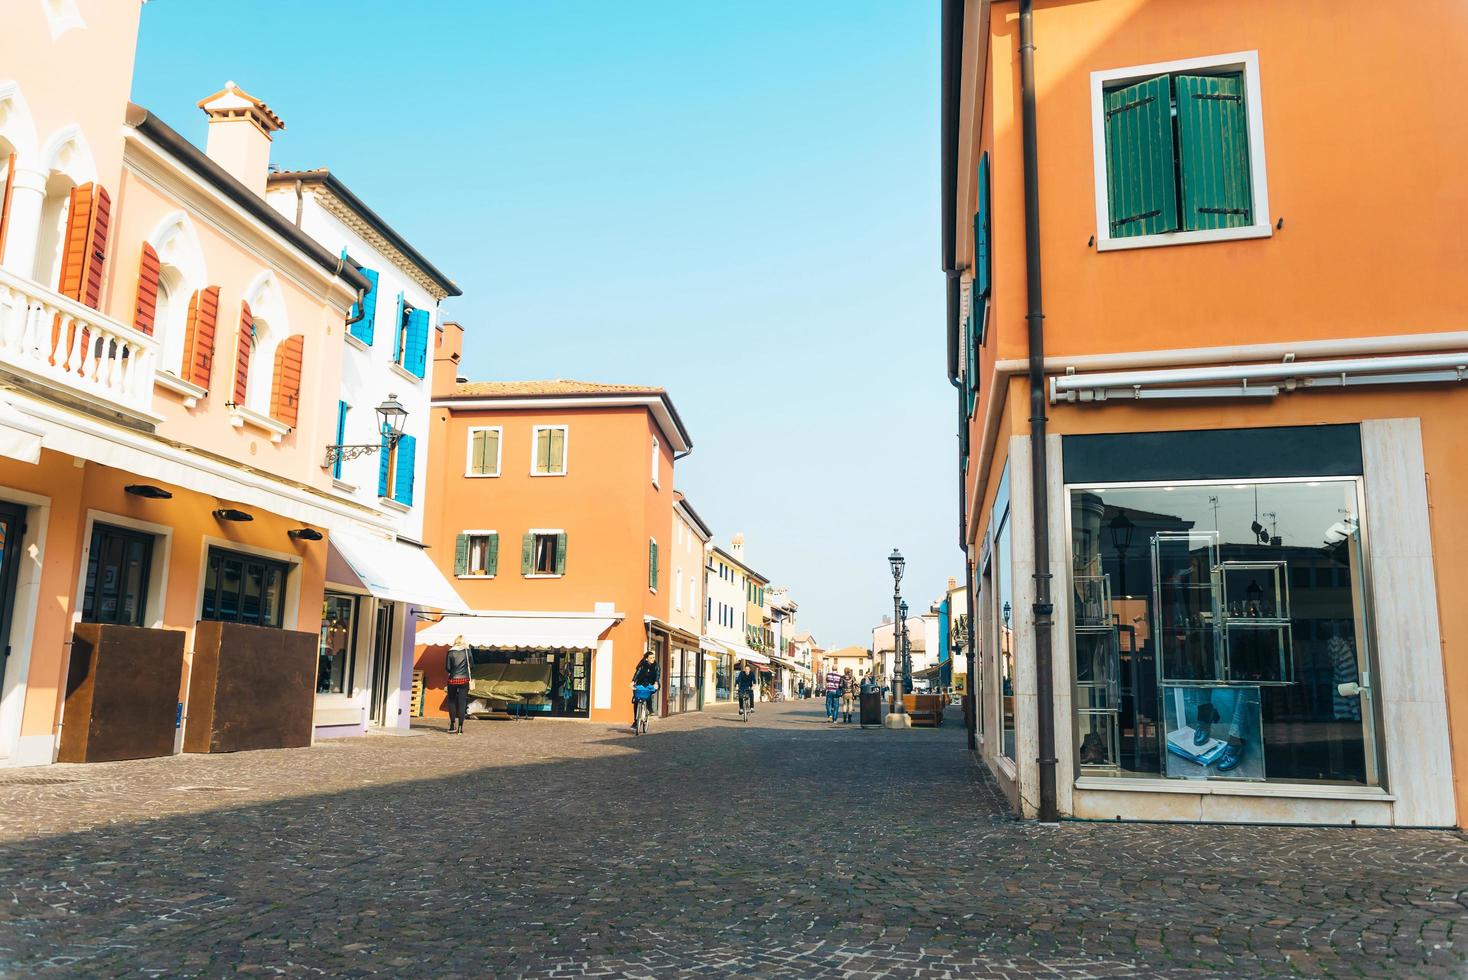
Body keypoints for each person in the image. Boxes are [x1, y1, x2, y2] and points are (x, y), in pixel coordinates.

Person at [445, 635, 472, 734]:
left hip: (452, 680)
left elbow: (447, 668)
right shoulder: (467, 651)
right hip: (464, 680)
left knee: (451, 701)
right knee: (462, 703)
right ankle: (460, 727)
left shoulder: (450, 652)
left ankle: (452, 725)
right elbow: (472, 665)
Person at [631, 650, 660, 732]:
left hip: (651, 683)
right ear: (646, 659)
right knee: (636, 698)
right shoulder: (642, 665)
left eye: (653, 657)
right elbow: (637, 673)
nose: (653, 659)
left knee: (648, 693)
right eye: (651, 658)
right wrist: (633, 681)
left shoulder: (656, 666)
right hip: (641, 683)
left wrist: (656, 683)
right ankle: (636, 721)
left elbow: (657, 675)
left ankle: (649, 708)